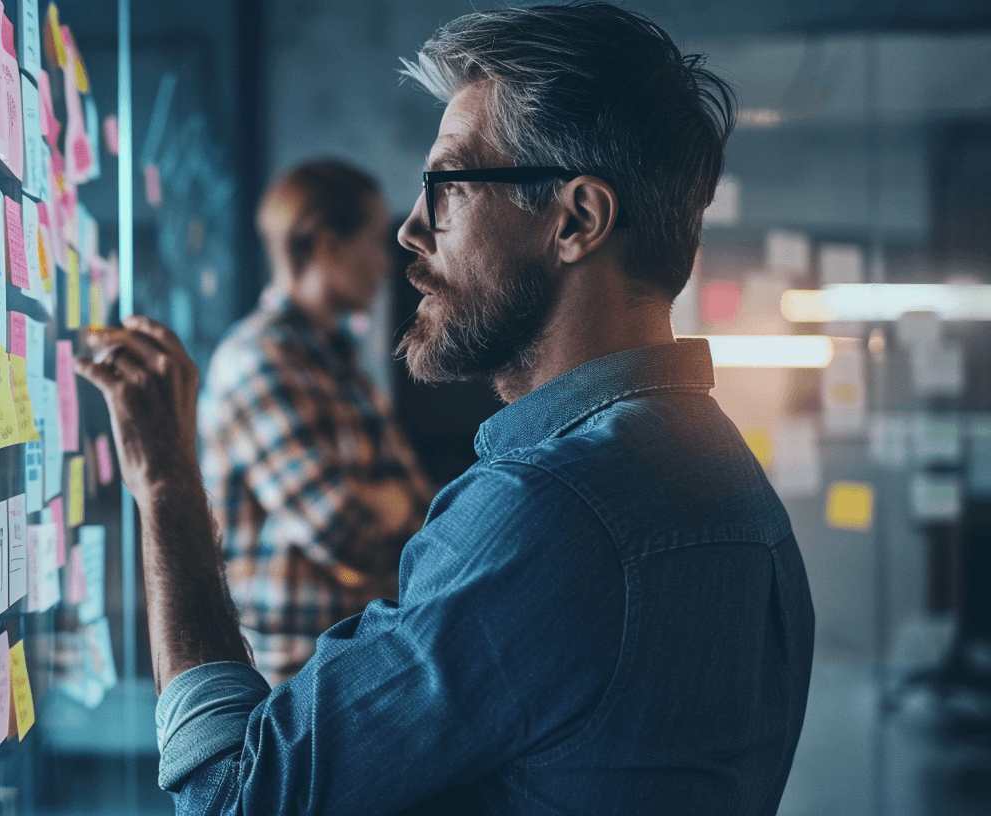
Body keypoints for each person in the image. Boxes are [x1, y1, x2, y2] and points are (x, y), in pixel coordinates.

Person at [77, 4, 814, 814]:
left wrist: (167, 488)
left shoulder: (549, 511)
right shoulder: (726, 475)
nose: (409, 231)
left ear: (576, 220)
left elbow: (231, 797)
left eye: (447, 186)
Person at [197, 159, 434, 686]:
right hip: (290, 680)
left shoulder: (336, 359)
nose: (386, 263)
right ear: (327, 245)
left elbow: (421, 506)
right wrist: (385, 505)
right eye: (375, 240)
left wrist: (390, 506)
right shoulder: (258, 359)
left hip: (351, 659)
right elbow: (343, 530)